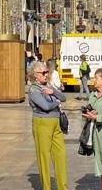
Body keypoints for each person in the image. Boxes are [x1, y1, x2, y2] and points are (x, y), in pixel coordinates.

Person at [28, 61, 68, 190]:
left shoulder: (48, 85)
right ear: (35, 75)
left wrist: (54, 93)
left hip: (56, 122)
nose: (47, 75)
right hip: (42, 123)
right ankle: (46, 187)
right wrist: (56, 102)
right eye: (44, 73)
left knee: (60, 155)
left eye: (47, 72)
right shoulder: (34, 89)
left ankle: (63, 187)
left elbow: (63, 97)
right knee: (43, 156)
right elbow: (45, 106)